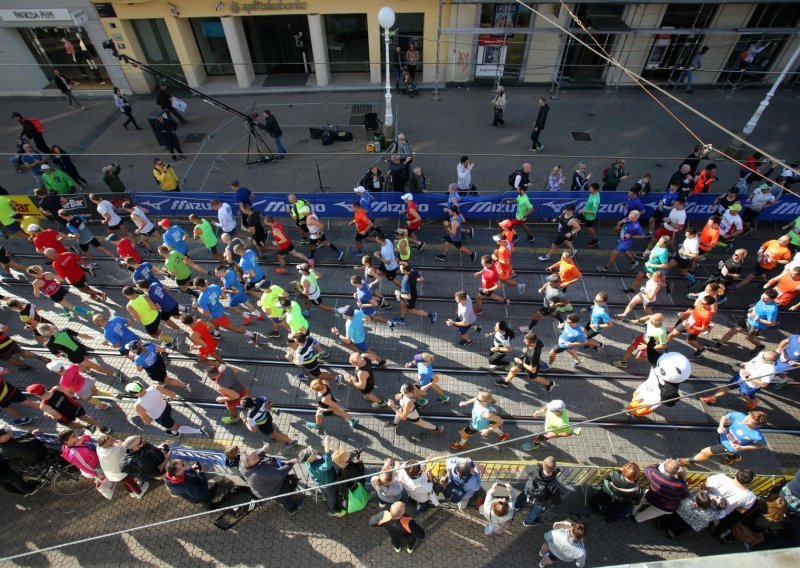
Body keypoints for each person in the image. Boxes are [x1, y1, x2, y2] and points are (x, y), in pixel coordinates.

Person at [679, 410, 768, 467]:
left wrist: (743, 448)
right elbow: (725, 416)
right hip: (723, 436)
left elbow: (762, 445)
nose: (745, 421)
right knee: (729, 452)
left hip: (730, 445)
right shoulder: (740, 415)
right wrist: (721, 426)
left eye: (749, 422)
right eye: (747, 418)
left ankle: (690, 461)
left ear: (757, 425)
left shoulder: (756, 435)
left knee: (705, 451)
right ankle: (733, 457)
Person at [126, 380, 208, 438]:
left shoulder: (138, 405)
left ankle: (200, 431)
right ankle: (174, 433)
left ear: (133, 393)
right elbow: (173, 395)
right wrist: (168, 397)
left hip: (161, 418)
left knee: (177, 427)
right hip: (166, 407)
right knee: (172, 425)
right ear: (141, 386)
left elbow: (148, 421)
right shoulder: (155, 387)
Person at [700, 350, 778, 410]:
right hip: (740, 376)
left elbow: (763, 384)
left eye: (764, 358)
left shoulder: (770, 370)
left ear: (770, 361)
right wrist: (746, 363)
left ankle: (753, 401)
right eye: (763, 355)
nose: (762, 357)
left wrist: (748, 377)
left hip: (750, 385)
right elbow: (754, 360)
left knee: (743, 395)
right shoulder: (763, 354)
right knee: (727, 387)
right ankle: (713, 398)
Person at [711, 289, 779, 353]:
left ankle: (760, 346)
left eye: (765, 298)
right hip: (748, 319)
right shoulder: (763, 299)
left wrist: (756, 318)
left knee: (750, 338)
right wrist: (752, 308)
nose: (762, 299)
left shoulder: (772, 310)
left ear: (772, 299)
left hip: (756, 326)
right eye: (762, 296)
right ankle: (718, 345)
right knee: (732, 331)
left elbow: (772, 323)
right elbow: (758, 306)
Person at [24, 383, 108, 433]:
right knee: (85, 417)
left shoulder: (44, 405)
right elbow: (70, 395)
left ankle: (87, 427)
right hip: (74, 406)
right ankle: (102, 427)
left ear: (36, 395)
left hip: (66, 415)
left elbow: (58, 416)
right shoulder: (56, 388)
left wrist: (48, 415)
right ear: (43, 387)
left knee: (68, 424)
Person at [239, 448, 303, 512]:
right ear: (249, 463)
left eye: (256, 454)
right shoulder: (261, 471)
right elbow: (280, 474)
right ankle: (293, 508)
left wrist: (261, 450)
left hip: (261, 490)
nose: (257, 456)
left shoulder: (242, 465)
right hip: (273, 491)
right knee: (284, 499)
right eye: (255, 458)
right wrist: (290, 463)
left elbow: (253, 454)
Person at [298, 436, 346, 516]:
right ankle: (332, 511)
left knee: (326, 493)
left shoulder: (315, 456)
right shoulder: (315, 470)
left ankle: (325, 496)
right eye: (312, 452)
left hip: (325, 480)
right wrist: (326, 447)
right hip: (328, 484)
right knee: (332, 497)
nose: (313, 450)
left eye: (311, 450)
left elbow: (325, 460)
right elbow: (327, 464)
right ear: (309, 459)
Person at [514, 456, 563, 528]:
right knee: (535, 511)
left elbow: (527, 471)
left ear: (543, 464)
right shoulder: (554, 484)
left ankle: (516, 505)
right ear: (554, 468)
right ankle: (528, 522)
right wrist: (556, 476)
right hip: (540, 500)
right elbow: (557, 501)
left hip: (528, 491)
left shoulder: (535, 469)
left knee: (522, 495)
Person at [47, 359, 113, 410]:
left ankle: (102, 405)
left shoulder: (62, 382)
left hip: (81, 391)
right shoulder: (71, 367)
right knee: (96, 391)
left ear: (56, 371)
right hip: (87, 382)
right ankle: (111, 395)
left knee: (89, 398)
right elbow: (82, 368)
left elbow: (70, 392)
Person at [389, 263, 438, 328]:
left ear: (406, 271)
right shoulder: (413, 271)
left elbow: (408, 297)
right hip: (412, 292)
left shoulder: (405, 282)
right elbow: (421, 279)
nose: (400, 270)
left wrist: (398, 294)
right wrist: (414, 280)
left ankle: (431, 315)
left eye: (401, 269)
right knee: (402, 304)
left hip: (409, 296)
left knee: (413, 310)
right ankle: (401, 319)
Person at [578, 183, 601, 247]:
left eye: (591, 188)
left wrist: (584, 210)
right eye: (590, 187)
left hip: (589, 217)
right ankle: (571, 235)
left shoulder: (595, 200)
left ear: (595, 190)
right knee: (576, 221)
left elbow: (594, 211)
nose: (589, 189)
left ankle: (595, 240)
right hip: (584, 213)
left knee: (590, 229)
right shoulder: (593, 193)